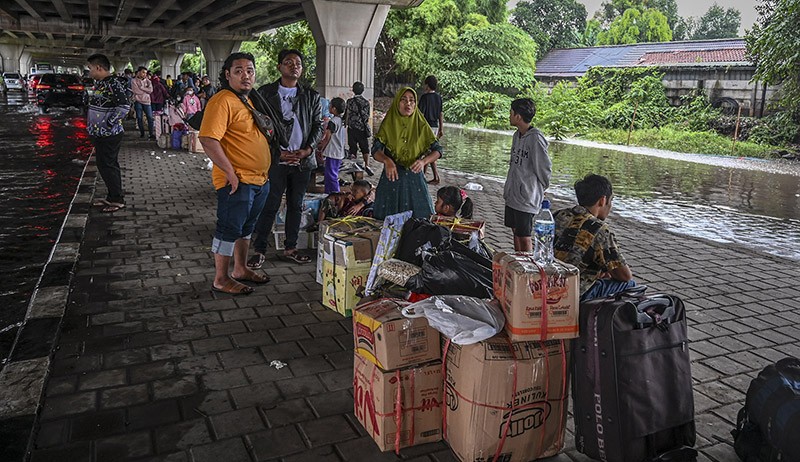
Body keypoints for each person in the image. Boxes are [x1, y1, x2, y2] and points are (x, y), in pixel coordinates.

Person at [198, 52, 273, 295]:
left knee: (246, 228)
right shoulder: (222, 100)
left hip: (259, 180)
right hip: (237, 181)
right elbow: (209, 139)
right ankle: (221, 278)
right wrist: (229, 173)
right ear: (227, 74)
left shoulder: (247, 101)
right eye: (239, 70)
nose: (246, 75)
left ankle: (240, 269)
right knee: (228, 230)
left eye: (250, 70)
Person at [248, 49, 323, 269]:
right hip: (275, 161)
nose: (294, 66)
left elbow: (318, 126)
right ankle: (259, 250)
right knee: (269, 205)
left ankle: (291, 248)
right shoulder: (264, 94)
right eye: (289, 62)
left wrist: (308, 150)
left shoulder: (311, 96)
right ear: (280, 67)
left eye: (298, 63)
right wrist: (276, 152)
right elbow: (258, 127)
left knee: (296, 205)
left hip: (302, 162)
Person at [554, 174, 635, 301]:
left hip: (547, 282)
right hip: (575, 292)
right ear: (602, 200)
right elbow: (624, 275)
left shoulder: (559, 215)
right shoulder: (599, 229)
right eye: (611, 200)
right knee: (630, 285)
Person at [372, 87, 442, 220]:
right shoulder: (388, 123)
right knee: (386, 225)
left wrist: (423, 161)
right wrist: (387, 160)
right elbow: (375, 150)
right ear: (397, 103)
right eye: (403, 100)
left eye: (412, 100)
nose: (408, 103)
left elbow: (438, 150)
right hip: (391, 179)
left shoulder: (421, 125)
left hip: (415, 182)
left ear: (415, 104)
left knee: (419, 224)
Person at [504, 98, 551, 252]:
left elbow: (544, 167)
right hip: (513, 194)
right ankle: (518, 264)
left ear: (518, 116)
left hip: (526, 196)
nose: (509, 116)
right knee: (515, 231)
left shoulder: (536, 138)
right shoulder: (516, 135)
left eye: (511, 113)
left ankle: (528, 268)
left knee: (524, 236)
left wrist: (541, 188)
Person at [85, 53, 130, 213]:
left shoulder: (113, 84)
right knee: (105, 165)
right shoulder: (102, 84)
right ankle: (112, 196)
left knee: (108, 165)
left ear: (98, 67)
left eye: (90, 68)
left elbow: (124, 106)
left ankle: (117, 199)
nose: (89, 71)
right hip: (101, 133)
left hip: (109, 134)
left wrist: (109, 123)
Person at [344, 81, 374, 176]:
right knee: (365, 148)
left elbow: (346, 114)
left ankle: (354, 166)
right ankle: (367, 165)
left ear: (353, 90)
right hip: (362, 128)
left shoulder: (349, 101)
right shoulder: (366, 102)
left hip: (352, 128)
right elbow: (367, 116)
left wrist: (345, 122)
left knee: (352, 148)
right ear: (362, 90)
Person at [418, 75, 443, 184]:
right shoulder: (439, 97)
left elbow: (420, 115)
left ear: (427, 85)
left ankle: (430, 176)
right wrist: (441, 128)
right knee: (430, 151)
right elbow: (440, 114)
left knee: (425, 151)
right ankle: (426, 175)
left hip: (426, 127)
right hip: (435, 127)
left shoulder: (424, 98)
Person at [319, 97, 346, 194]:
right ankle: (328, 193)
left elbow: (327, 137)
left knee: (332, 175)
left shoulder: (333, 121)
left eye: (330, 106)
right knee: (328, 175)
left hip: (333, 152)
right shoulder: (341, 120)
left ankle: (336, 194)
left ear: (334, 109)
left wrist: (322, 148)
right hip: (338, 151)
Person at [131, 66, 155, 139]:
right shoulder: (133, 81)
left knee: (150, 117)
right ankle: (142, 133)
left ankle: (151, 134)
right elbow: (136, 91)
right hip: (138, 101)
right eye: (143, 72)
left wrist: (141, 88)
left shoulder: (148, 81)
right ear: (138, 72)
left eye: (145, 73)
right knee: (139, 117)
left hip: (147, 101)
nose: (144, 74)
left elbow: (151, 90)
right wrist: (145, 90)